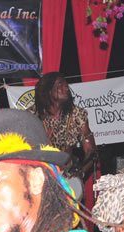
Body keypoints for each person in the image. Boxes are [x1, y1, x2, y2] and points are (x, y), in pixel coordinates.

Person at [32, 72, 97, 200]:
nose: (66, 88)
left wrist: (81, 172)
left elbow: (91, 151)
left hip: (67, 174)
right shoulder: (32, 116)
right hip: (40, 175)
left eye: (66, 85)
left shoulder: (77, 115)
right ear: (48, 90)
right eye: (60, 85)